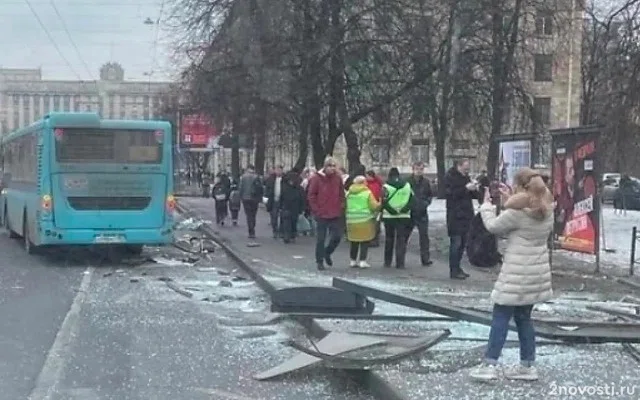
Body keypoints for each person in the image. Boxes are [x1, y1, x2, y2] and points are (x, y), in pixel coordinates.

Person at [470, 168, 554, 382]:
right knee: (524, 318)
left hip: (516, 273)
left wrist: (486, 206)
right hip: (536, 273)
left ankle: (489, 365)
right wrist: (511, 199)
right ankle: (528, 366)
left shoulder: (517, 213)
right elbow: (526, 211)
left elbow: (493, 226)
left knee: (500, 316)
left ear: (521, 187)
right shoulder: (547, 208)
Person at [307, 157, 345, 270]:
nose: (332, 168)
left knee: (337, 236)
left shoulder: (338, 179)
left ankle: (327, 252)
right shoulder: (316, 179)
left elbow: (341, 194)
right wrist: (316, 209)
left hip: (335, 212)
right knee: (321, 239)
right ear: (325, 166)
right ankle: (319, 261)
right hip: (321, 213)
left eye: (334, 166)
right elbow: (311, 195)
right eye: (330, 166)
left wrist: (341, 205)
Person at [445, 159, 477, 280]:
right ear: (459, 166)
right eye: (465, 167)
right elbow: (451, 194)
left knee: (463, 243)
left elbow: (470, 195)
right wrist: (466, 188)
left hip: (466, 215)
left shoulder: (466, 177)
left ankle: (458, 268)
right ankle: (453, 270)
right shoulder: (450, 177)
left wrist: (474, 189)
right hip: (455, 216)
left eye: (468, 168)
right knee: (456, 244)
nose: (467, 170)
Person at [345, 175, 380, 268]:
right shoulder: (367, 193)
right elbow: (373, 206)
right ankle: (362, 261)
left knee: (354, 241)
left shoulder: (349, 193)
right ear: (363, 182)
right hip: (364, 220)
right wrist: (380, 204)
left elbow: (344, 205)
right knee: (364, 241)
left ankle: (352, 260)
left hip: (351, 220)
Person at [381, 167, 413, 269]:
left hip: (389, 216)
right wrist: (404, 209)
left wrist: (392, 211)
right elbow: (412, 200)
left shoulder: (386, 186)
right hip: (403, 216)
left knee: (389, 239)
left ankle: (387, 261)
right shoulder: (407, 185)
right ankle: (400, 263)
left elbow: (383, 201)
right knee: (401, 240)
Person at [406, 161, 433, 266]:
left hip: (422, 212)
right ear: (413, 169)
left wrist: (426, 203)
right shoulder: (407, 181)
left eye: (421, 169)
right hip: (410, 212)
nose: (419, 171)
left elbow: (429, 195)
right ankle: (400, 259)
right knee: (404, 236)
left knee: (424, 237)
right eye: (417, 169)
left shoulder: (426, 182)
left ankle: (425, 259)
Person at [280, 170, 306, 243]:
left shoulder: (299, 188)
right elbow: (281, 197)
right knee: (287, 222)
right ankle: (287, 236)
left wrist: (302, 209)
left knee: (293, 222)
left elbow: (303, 199)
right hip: (287, 208)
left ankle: (292, 235)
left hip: (295, 208)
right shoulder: (285, 187)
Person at [238, 165, 263, 239]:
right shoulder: (257, 177)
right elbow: (260, 189)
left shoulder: (243, 177)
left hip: (245, 198)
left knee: (248, 215)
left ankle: (251, 231)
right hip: (254, 199)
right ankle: (252, 228)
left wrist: (240, 197)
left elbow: (241, 188)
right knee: (253, 214)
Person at [365, 170, 384, 247]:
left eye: (367, 176)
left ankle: (374, 240)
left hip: (375, 206)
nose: (366, 177)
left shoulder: (375, 185)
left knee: (375, 224)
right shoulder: (367, 184)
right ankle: (370, 239)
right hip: (369, 206)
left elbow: (377, 195)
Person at [265, 165, 284, 238]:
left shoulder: (284, 179)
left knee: (283, 216)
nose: (278, 171)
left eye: (280, 170)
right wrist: (266, 200)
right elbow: (267, 190)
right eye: (277, 170)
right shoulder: (271, 179)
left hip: (282, 200)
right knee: (274, 216)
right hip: (273, 200)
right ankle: (275, 230)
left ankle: (281, 231)